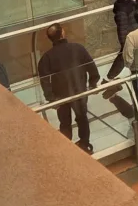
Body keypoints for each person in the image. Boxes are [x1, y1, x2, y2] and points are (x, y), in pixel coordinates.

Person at [37, 23, 99, 154]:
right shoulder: (78, 48)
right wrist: (93, 83)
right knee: (82, 118)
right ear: (63, 33)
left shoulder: (46, 57)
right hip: (79, 91)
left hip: (60, 96)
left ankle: (67, 151)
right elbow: (91, 66)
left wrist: (51, 98)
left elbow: (44, 80)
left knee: (64, 123)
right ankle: (84, 144)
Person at [106, 0, 138, 82]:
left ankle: (111, 76)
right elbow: (122, 29)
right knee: (123, 57)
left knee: (127, 56)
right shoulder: (122, 11)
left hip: (133, 35)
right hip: (129, 38)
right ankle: (110, 77)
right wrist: (124, 43)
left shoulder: (128, 4)